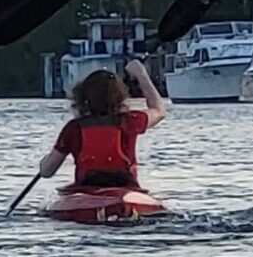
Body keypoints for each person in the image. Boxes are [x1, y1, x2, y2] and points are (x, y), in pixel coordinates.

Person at [34, 60, 171, 193]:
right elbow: (159, 110)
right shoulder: (130, 121)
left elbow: (47, 171)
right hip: (127, 191)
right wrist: (141, 74)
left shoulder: (74, 129)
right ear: (120, 97)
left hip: (85, 192)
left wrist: (44, 163)